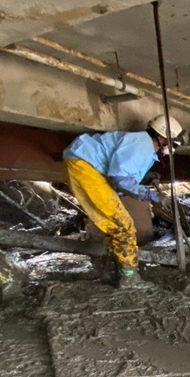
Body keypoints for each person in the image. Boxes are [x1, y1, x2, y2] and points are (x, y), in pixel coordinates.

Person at [63, 115, 182, 287]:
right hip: (85, 167)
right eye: (173, 143)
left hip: (86, 164)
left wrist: (145, 178)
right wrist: (154, 196)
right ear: (163, 138)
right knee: (123, 226)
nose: (173, 147)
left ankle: (112, 269)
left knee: (114, 226)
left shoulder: (142, 145)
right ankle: (128, 277)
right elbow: (121, 179)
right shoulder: (141, 146)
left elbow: (123, 170)